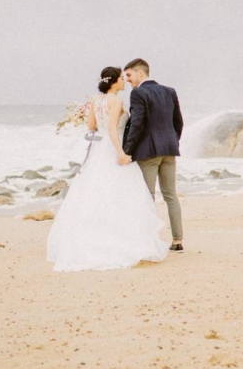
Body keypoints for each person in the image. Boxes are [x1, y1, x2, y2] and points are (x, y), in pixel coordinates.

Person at [46, 67, 169, 272]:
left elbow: (91, 126)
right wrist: (121, 152)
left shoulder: (96, 101)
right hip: (112, 149)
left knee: (95, 191)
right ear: (113, 82)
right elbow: (113, 128)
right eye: (122, 78)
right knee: (122, 193)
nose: (124, 81)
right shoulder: (117, 101)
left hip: (98, 150)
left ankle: (88, 237)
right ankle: (119, 239)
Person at [122, 58, 185, 252]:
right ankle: (177, 240)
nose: (127, 80)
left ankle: (149, 240)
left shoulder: (138, 93)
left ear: (141, 73)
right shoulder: (169, 91)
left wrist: (127, 151)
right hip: (169, 150)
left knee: (147, 196)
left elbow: (137, 125)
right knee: (170, 195)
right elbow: (178, 122)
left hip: (148, 152)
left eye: (129, 75)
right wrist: (172, 141)